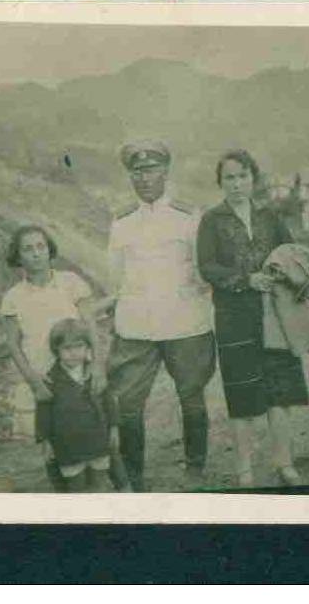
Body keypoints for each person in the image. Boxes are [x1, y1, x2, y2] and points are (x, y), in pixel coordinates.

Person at [196, 149, 309, 488]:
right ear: (220, 182)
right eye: (229, 177)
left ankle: (284, 463)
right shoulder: (212, 220)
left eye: (243, 176)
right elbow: (207, 267)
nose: (236, 183)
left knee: (280, 392)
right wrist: (247, 279)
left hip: (275, 315)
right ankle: (244, 468)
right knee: (242, 393)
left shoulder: (271, 217)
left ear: (253, 179)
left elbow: (292, 254)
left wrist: (279, 273)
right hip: (235, 318)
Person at [106, 140, 216, 492]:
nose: (144, 177)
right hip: (137, 326)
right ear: (130, 176)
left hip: (185, 322)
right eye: (137, 171)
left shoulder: (188, 217)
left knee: (192, 397)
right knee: (127, 405)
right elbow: (115, 275)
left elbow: (203, 270)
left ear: (165, 172)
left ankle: (196, 467)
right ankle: (134, 476)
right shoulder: (121, 222)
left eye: (151, 169)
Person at [0, 224, 99, 487]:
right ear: (18, 256)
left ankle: (97, 495)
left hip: (78, 373)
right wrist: (34, 382)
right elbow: (13, 345)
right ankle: (64, 499)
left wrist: (96, 367)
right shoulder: (13, 297)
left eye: (40, 247)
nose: (35, 254)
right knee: (52, 445)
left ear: (49, 249)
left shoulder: (71, 283)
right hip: (44, 379)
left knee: (89, 433)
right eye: (28, 249)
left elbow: (91, 327)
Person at [40, 318, 117, 492]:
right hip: (68, 443)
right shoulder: (50, 379)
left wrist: (113, 427)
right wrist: (46, 441)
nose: (73, 353)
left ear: (87, 347)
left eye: (79, 346)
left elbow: (108, 400)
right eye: (67, 348)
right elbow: (43, 412)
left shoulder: (94, 374)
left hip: (97, 437)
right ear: (56, 350)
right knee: (76, 486)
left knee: (100, 482)